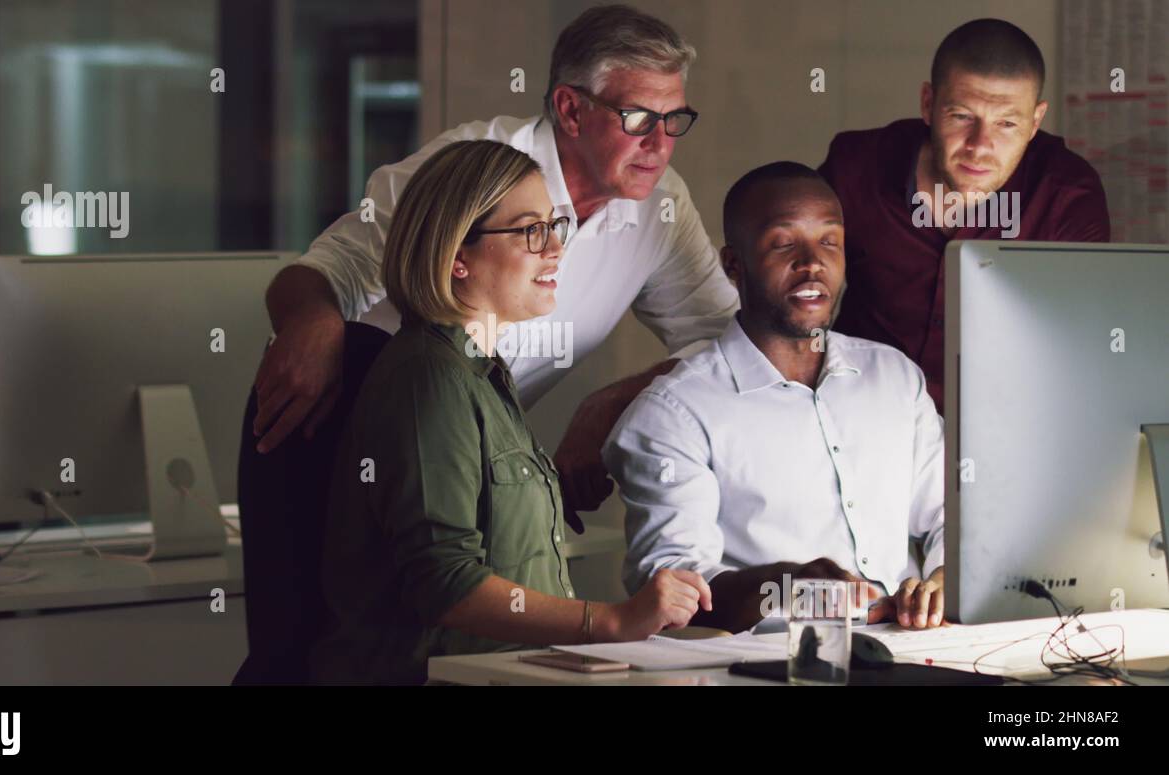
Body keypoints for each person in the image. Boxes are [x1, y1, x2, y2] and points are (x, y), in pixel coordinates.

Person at [253, 5, 738, 516]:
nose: (660, 145)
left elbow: (728, 340)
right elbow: (329, 269)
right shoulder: (471, 166)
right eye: (638, 118)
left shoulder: (661, 204)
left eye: (674, 120)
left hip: (460, 466)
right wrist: (313, 319)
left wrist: (614, 404)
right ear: (571, 110)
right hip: (326, 436)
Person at [310, 140, 712, 685]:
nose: (555, 250)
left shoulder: (484, 376)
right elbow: (446, 583)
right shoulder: (428, 376)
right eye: (530, 231)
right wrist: (613, 621)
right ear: (457, 256)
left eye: (555, 226)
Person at [604, 162, 946, 635]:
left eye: (829, 242)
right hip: (768, 668)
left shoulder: (895, 378)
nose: (812, 263)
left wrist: (945, 577)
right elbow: (671, 592)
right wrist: (786, 587)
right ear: (733, 265)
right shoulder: (672, 415)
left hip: (912, 654)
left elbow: (950, 515)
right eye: (783, 244)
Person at [819, 18, 1110, 412]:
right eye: (961, 116)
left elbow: (1078, 346)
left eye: (1007, 123)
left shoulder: (1067, 195)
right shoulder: (856, 167)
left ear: (1036, 121)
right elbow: (796, 291)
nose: (980, 146)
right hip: (862, 418)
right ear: (928, 104)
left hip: (1003, 424)